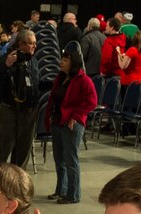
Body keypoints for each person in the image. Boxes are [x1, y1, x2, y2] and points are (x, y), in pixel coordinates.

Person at [45, 42, 97, 204]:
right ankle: (61, 190)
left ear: (73, 62)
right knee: (59, 159)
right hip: (58, 122)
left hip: (72, 125)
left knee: (70, 160)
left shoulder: (83, 80)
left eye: (65, 60)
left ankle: (73, 195)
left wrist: (76, 116)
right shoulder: (60, 78)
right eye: (62, 59)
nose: (61, 62)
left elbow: (92, 101)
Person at [0, 30, 41, 169]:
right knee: (3, 149)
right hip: (10, 111)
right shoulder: (6, 59)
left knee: (23, 152)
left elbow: (36, 83)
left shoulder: (33, 61)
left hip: (29, 112)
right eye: (31, 43)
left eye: (35, 43)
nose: (34, 47)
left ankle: (18, 184)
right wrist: (7, 65)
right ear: (21, 44)